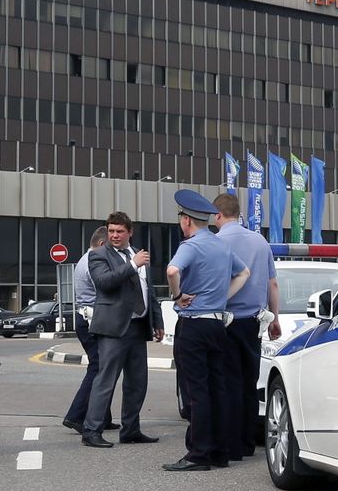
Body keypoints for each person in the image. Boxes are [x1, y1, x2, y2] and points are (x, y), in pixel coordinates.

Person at [164, 189, 249, 471]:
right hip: (217, 324)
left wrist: (177, 296)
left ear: (187, 220)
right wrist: (223, 296)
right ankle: (219, 451)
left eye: (181, 218)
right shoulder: (221, 246)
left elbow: (172, 271)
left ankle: (198, 453)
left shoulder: (190, 245)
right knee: (218, 388)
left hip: (194, 323)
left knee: (196, 390)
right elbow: (244, 273)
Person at [82, 212, 163, 448]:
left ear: (130, 232)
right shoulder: (98, 256)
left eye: (119, 231)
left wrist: (157, 320)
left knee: (137, 382)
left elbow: (150, 290)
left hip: (138, 326)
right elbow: (105, 282)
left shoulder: (137, 253)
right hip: (113, 328)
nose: (114, 235)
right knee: (106, 380)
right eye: (111, 231)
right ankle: (91, 430)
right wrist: (132, 265)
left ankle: (131, 430)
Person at [212, 192, 281, 459]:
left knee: (227, 382)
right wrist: (274, 318)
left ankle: (229, 444)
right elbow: (272, 284)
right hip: (254, 324)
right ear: (238, 213)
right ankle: (247, 442)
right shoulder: (260, 242)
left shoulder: (216, 242)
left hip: (225, 322)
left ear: (218, 215)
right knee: (249, 382)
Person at [62, 226, 116, 433]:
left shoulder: (85, 259)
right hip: (93, 320)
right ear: (102, 244)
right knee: (99, 368)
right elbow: (106, 289)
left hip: (87, 319)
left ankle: (102, 416)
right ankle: (76, 415)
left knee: (104, 367)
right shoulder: (93, 262)